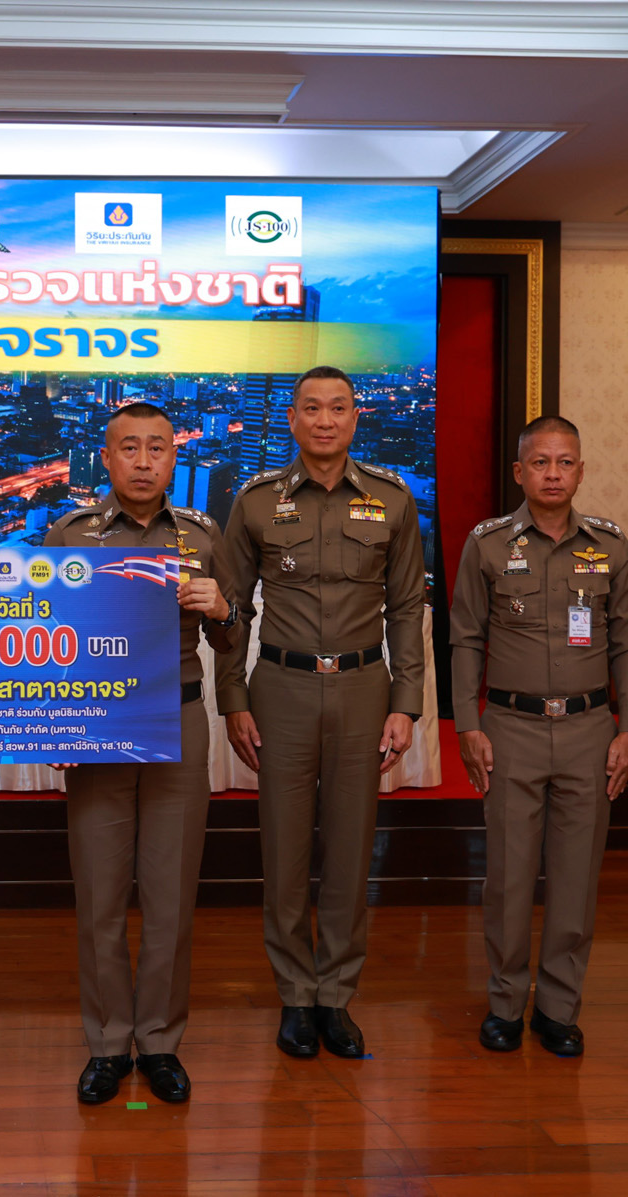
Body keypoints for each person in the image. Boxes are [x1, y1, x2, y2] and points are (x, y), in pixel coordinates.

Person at [215, 365, 426, 1061]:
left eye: (338, 408)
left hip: (365, 689)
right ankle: (295, 996)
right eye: (312, 408)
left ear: (356, 417)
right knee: (283, 852)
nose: (326, 420)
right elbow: (231, 610)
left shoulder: (392, 500)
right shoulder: (255, 502)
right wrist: (233, 699)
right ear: (293, 419)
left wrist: (406, 703)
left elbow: (407, 609)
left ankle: (335, 995)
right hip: (282, 688)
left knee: (349, 848)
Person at [43, 403, 238, 1106]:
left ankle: (157, 1040)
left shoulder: (202, 535)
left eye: (158, 447)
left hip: (177, 718)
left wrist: (223, 608)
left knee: (170, 894)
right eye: (130, 447)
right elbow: (44, 633)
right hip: (98, 723)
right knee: (99, 895)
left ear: (173, 457)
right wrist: (53, 724)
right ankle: (106, 1043)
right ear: (106, 457)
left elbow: (232, 639)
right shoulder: (70, 533)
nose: (145, 460)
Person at [450, 415, 628, 1057]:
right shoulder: (486, 544)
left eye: (565, 463)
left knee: (575, 876)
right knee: (507, 878)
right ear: (519, 472)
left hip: (591, 730)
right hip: (511, 728)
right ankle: (506, 1002)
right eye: (540, 462)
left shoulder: (610, 545)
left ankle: (559, 1008)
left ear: (581, 471)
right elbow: (465, 639)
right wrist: (468, 723)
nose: (553, 474)